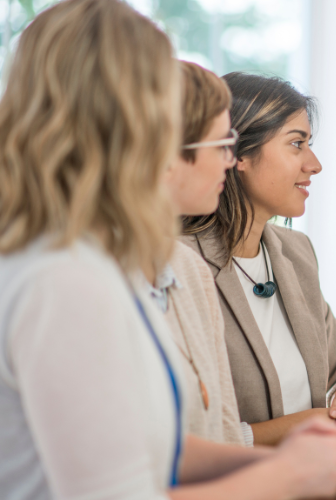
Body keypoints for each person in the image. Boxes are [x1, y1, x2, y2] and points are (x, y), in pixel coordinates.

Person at [0, 1, 336, 498]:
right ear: (130, 118)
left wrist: (287, 454)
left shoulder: (89, 260)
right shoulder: (63, 280)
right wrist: (288, 475)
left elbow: (151, 447)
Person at [183, 73, 336, 445]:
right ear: (238, 154)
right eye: (296, 144)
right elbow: (194, 439)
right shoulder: (179, 265)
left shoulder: (295, 251)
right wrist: (320, 424)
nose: (314, 164)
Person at [140, 61, 245, 445]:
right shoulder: (86, 279)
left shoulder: (191, 270)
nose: (229, 161)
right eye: (220, 146)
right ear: (167, 154)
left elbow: (225, 434)